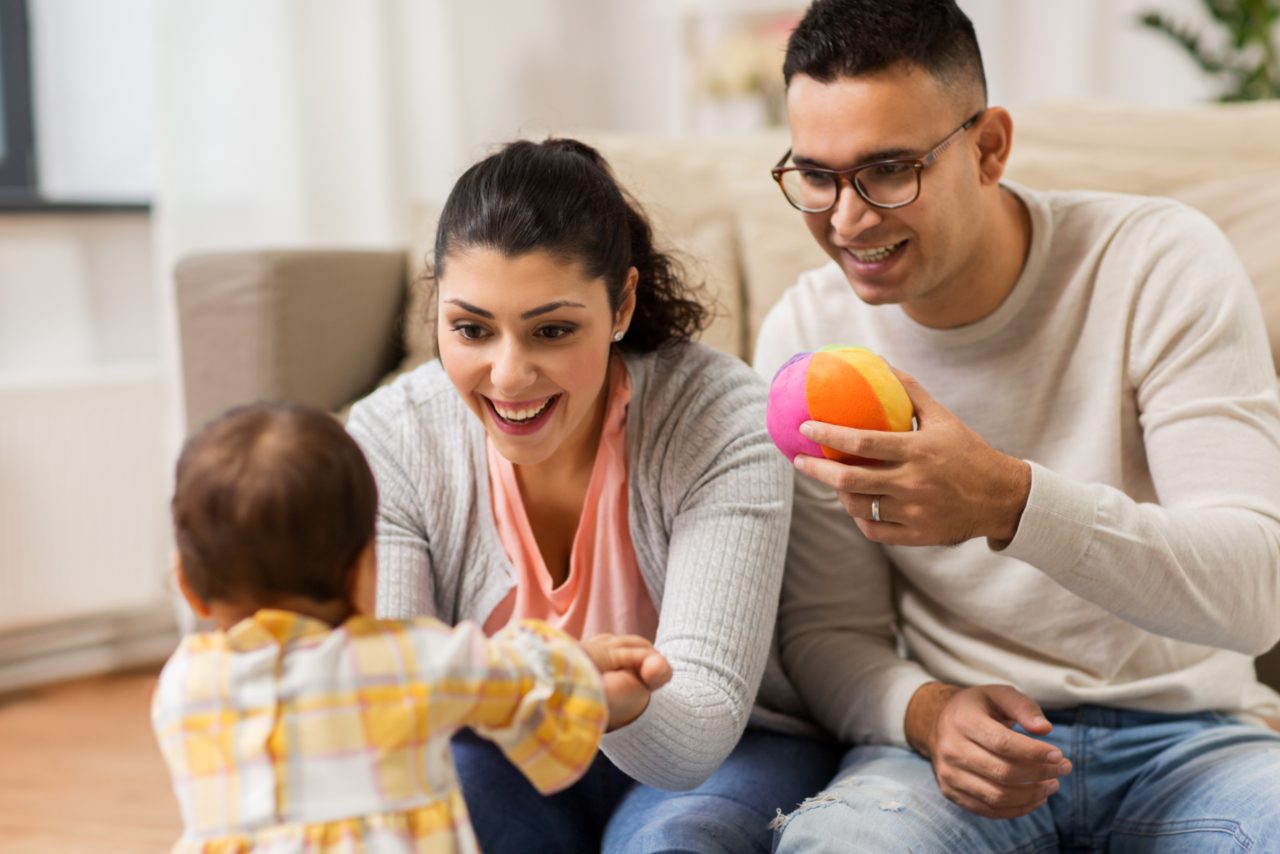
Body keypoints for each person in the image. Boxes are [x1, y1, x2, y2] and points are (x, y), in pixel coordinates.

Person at [755, 1, 1280, 850]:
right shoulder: (805, 338)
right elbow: (827, 632)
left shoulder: (1157, 265)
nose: (848, 221)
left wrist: (1008, 502)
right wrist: (927, 714)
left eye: (890, 169)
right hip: (947, 758)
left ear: (989, 147)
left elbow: (1259, 594)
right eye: (817, 175)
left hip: (1193, 739)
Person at [344, 138, 835, 853]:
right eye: (471, 328)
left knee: (677, 843)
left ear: (621, 305)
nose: (508, 376)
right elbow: (394, 711)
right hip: (503, 753)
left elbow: (697, 731)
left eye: (552, 330)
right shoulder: (393, 436)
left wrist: (614, 705)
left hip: (724, 755)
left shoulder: (721, 418)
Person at [153, 400, 672, 853]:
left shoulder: (181, 687)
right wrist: (586, 658)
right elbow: (518, 673)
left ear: (186, 584)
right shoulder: (405, 660)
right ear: (363, 570)